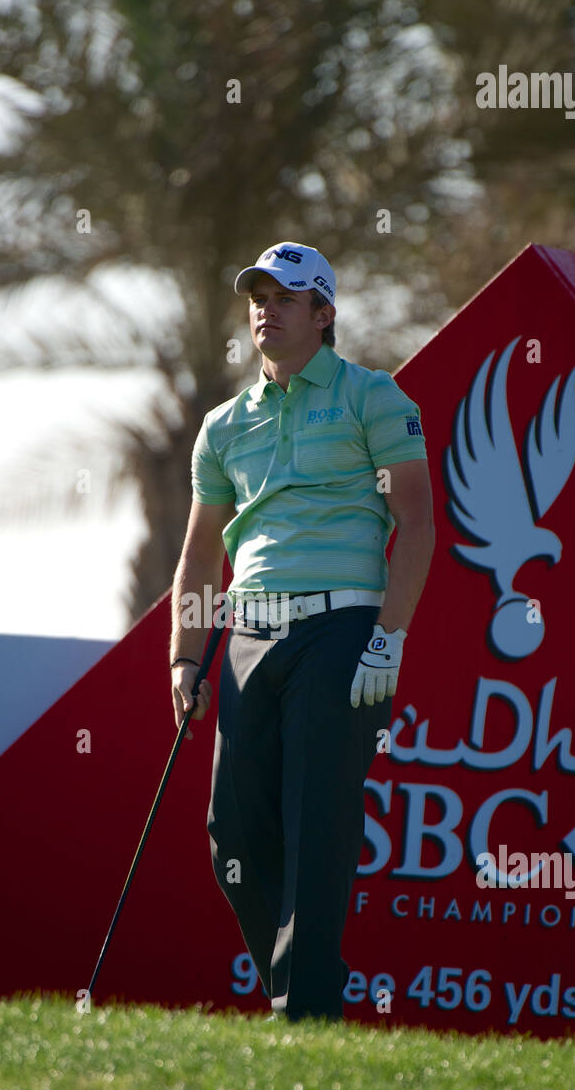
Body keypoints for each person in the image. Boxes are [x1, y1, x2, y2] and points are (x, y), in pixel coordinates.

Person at [169, 241, 434, 1021]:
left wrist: (387, 639)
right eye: (257, 296)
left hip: (340, 629)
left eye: (285, 297)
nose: (265, 309)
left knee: (316, 825)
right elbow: (197, 555)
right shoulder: (223, 425)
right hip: (245, 638)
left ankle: (304, 1014)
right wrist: (185, 660)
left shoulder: (370, 397)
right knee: (236, 838)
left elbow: (416, 523)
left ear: (323, 315)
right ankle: (297, 992)